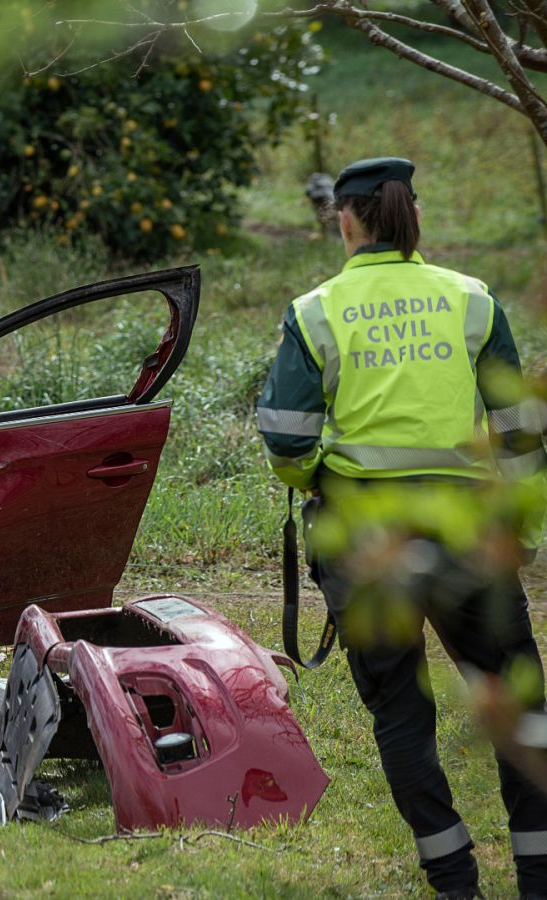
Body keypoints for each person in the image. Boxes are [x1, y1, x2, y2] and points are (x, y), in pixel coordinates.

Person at [257, 157, 547, 898]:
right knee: (518, 706)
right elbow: (520, 431)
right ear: (413, 216)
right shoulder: (471, 300)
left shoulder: (316, 309)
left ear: (344, 219)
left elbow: (288, 437)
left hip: (365, 541)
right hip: (467, 536)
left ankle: (454, 881)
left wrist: (323, 478)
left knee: (401, 713)